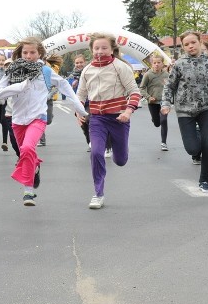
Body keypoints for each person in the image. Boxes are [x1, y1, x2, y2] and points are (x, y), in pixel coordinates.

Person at [0, 38, 87, 206]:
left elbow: (65, 86)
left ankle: (28, 191)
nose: (28, 56)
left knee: (28, 148)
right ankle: (35, 166)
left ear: (40, 54)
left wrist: (80, 110)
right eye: (25, 52)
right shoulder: (12, 71)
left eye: (32, 52)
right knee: (25, 153)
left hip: (38, 118)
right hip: (18, 120)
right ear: (20, 53)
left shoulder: (46, 72)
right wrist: (19, 87)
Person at [75, 34, 142, 209]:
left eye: (104, 48)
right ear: (91, 50)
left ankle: (117, 149)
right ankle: (98, 194)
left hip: (119, 118)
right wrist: (79, 112)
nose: (100, 51)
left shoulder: (120, 67)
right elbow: (80, 95)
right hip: (97, 118)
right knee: (96, 152)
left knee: (120, 160)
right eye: (96, 48)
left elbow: (134, 92)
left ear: (112, 49)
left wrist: (128, 111)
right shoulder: (87, 69)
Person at [161, 31, 208, 193]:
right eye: (186, 44)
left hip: (206, 108)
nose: (190, 46)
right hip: (185, 110)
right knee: (192, 149)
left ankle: (204, 181)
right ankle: (198, 135)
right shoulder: (179, 64)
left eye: (193, 42)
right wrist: (165, 103)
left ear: (200, 42)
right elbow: (169, 86)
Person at [138, 54, 170, 151]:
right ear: (151, 64)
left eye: (158, 63)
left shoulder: (166, 75)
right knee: (157, 123)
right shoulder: (148, 74)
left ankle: (164, 142)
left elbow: (169, 87)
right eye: (154, 63)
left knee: (164, 121)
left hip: (164, 102)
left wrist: (170, 98)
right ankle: (155, 119)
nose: (156, 65)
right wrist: (148, 97)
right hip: (153, 102)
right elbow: (142, 88)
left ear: (162, 64)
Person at [67, 53, 92, 150]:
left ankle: (97, 143)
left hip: (90, 102)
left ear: (85, 62)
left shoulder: (89, 72)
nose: (79, 64)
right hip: (79, 103)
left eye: (81, 62)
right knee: (83, 125)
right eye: (77, 63)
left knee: (89, 120)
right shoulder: (73, 75)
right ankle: (90, 143)